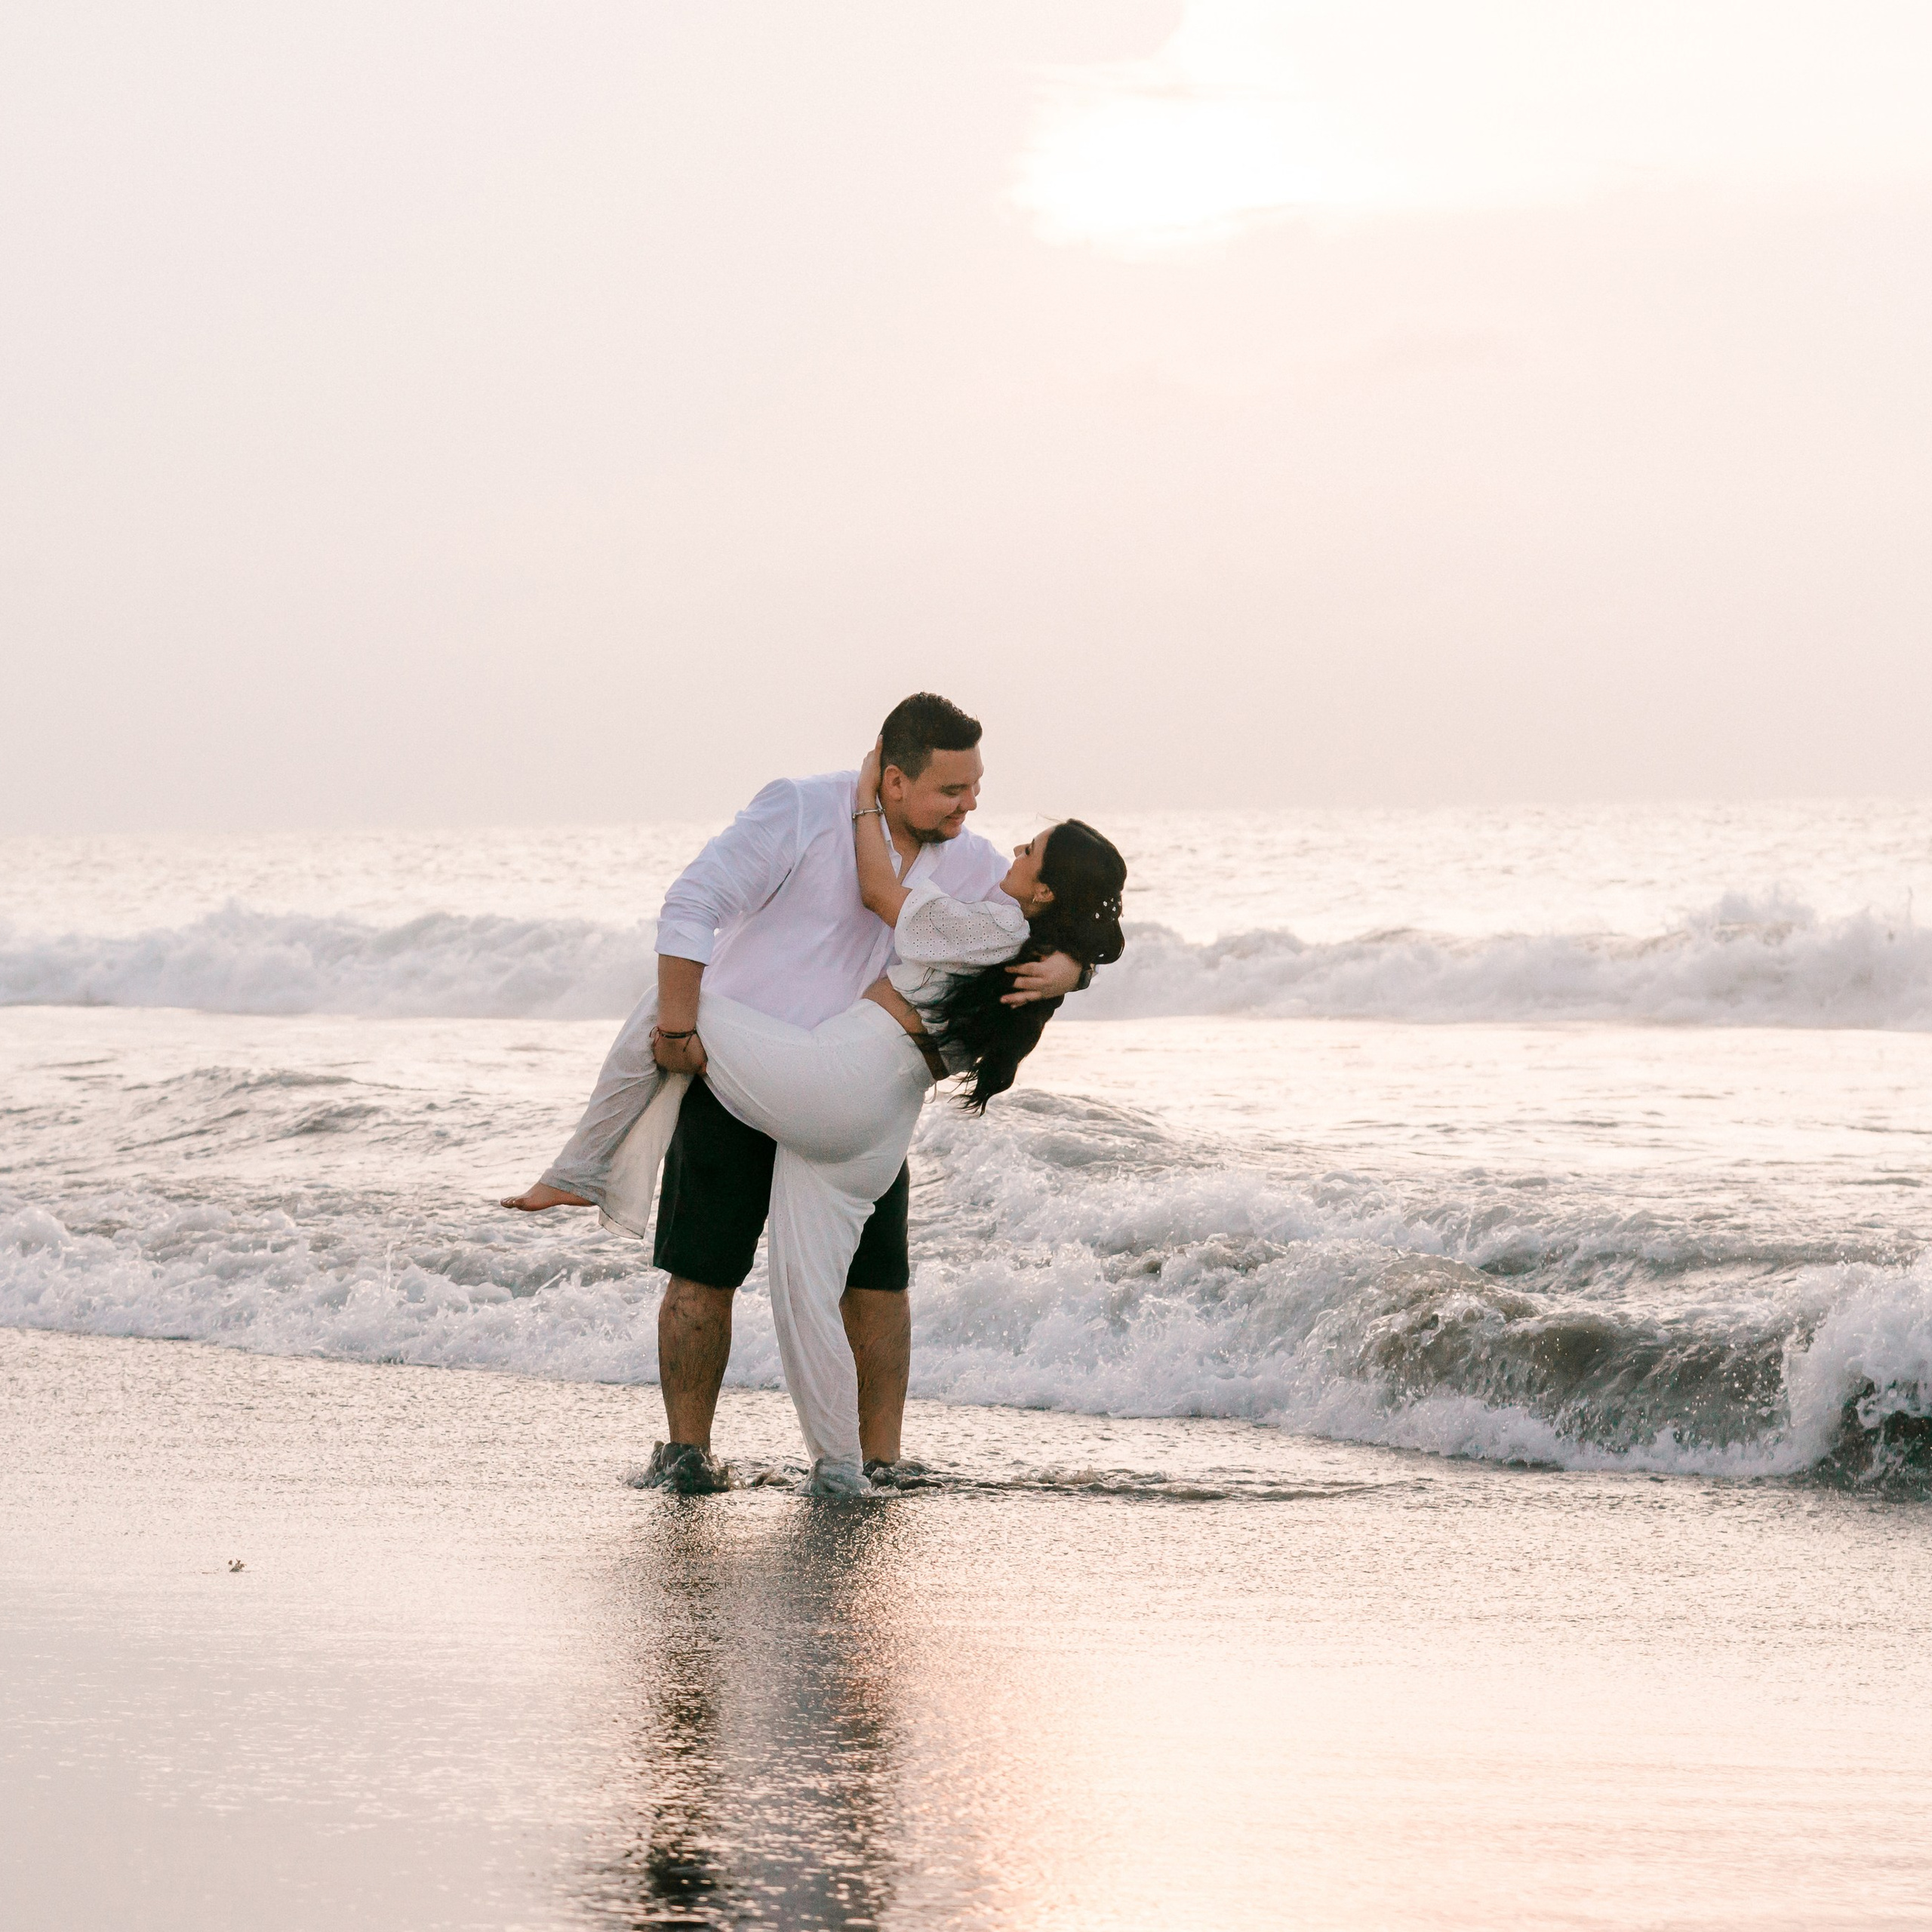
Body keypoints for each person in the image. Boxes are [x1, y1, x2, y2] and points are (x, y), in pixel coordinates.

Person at [500, 694, 1102, 1489]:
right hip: (751, 1066)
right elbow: (692, 903)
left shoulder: (970, 859)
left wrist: (1075, 967)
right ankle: (722, 1454)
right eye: (951, 790)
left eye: (974, 787)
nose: (971, 806)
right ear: (894, 779)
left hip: (851, 1088)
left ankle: (871, 1459)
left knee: (872, 1286)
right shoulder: (801, 808)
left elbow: (1048, 908)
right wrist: (683, 1031)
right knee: (715, 1275)